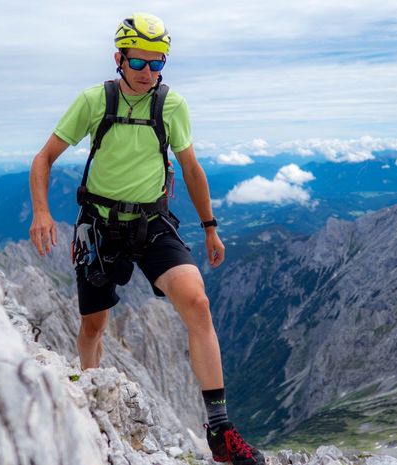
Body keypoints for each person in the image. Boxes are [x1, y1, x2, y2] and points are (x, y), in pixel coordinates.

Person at [28, 13, 265, 465]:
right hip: (98, 225)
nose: (147, 72)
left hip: (152, 222)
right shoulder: (94, 100)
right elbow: (44, 159)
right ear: (119, 58)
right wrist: (41, 212)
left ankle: (220, 432)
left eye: (157, 63)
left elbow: (191, 169)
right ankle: (88, 407)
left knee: (197, 302)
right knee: (94, 325)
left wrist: (210, 226)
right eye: (138, 61)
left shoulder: (171, 106)